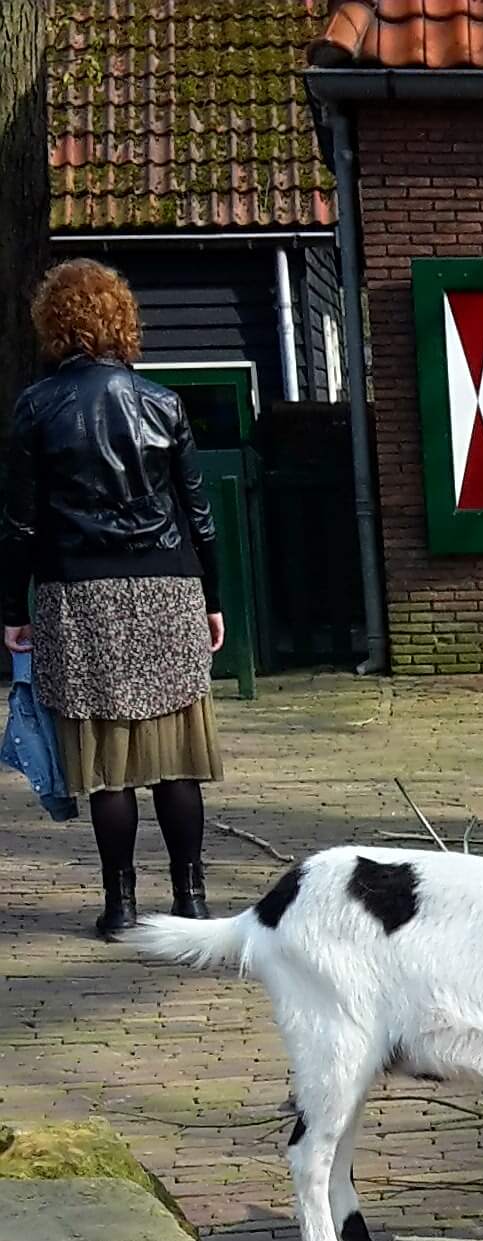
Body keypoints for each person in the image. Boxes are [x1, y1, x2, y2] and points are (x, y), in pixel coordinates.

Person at [1, 260, 225, 940]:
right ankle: (191, 899)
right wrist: (211, 597)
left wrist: (13, 608)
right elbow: (198, 513)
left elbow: (19, 523)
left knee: (106, 765)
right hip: (166, 586)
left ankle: (121, 906)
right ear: (122, 321)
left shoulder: (35, 408)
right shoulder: (162, 403)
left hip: (80, 593)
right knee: (178, 756)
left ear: (54, 324)